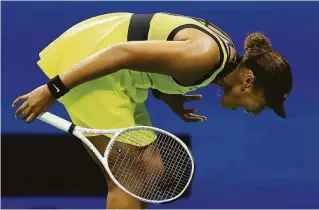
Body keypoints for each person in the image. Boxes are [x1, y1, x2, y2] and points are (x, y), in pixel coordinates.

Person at [12, 12, 293, 209]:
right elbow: (122, 53)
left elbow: (154, 53)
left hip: (119, 76)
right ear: (248, 82)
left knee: (148, 170)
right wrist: (52, 89)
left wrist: (166, 93)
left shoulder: (221, 59)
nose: (255, 112)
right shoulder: (205, 56)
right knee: (128, 179)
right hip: (93, 61)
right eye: (263, 105)